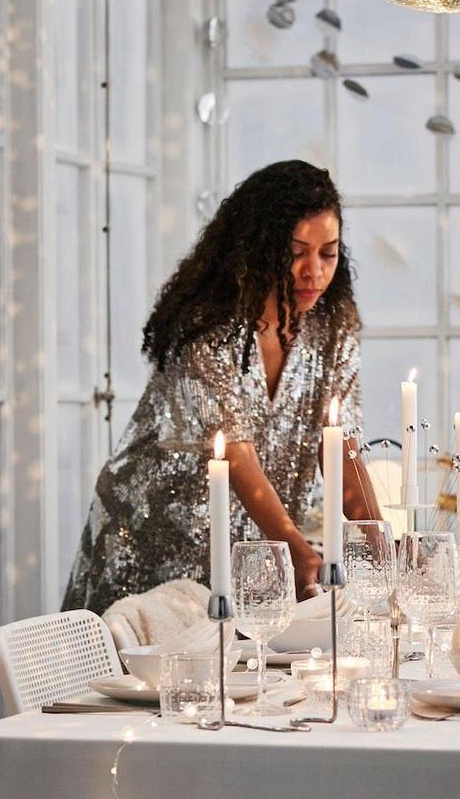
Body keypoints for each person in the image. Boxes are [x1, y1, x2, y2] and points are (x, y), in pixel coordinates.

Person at [64, 160, 381, 611]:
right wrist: (294, 545)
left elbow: (340, 446)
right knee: (143, 672)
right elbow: (235, 455)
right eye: (295, 252)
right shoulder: (207, 327)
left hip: (252, 549)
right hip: (154, 541)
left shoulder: (331, 326)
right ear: (257, 250)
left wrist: (380, 544)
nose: (314, 271)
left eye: (327, 253)